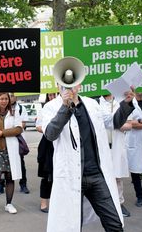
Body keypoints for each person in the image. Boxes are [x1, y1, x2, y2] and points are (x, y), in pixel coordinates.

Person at [41, 85, 127, 232]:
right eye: (64, 83)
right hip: (71, 177)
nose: (69, 87)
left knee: (114, 224)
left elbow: (114, 122)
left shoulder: (92, 104)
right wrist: (65, 106)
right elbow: (50, 134)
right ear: (57, 85)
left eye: (73, 82)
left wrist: (127, 104)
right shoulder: (51, 107)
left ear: (79, 84)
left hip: (97, 175)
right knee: (72, 225)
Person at [0, 93, 23, 216]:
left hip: (10, 149)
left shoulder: (14, 112)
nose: (4, 101)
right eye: (2, 99)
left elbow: (19, 129)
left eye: (6, 98)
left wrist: (3, 133)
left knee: (10, 177)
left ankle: (9, 204)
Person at [99, 94, 133, 217]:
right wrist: (114, 122)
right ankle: (104, 204)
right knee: (102, 176)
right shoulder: (96, 103)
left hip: (117, 145)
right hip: (103, 146)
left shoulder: (120, 102)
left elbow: (129, 125)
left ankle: (119, 203)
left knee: (117, 176)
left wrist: (114, 123)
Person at [0, 93, 30, 194]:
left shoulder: (20, 109)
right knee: (2, 166)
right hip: (2, 143)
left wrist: (7, 132)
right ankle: (0, 185)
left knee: (20, 164)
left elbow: (21, 125)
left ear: (15, 97)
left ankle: (23, 184)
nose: (8, 99)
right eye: (6, 97)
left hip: (16, 142)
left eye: (11, 96)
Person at [36, 93, 57, 213]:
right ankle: (44, 202)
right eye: (50, 95)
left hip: (62, 145)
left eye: (54, 95)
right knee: (46, 175)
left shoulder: (64, 105)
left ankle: (58, 202)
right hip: (48, 145)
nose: (52, 97)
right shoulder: (46, 108)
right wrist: (49, 129)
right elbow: (38, 126)